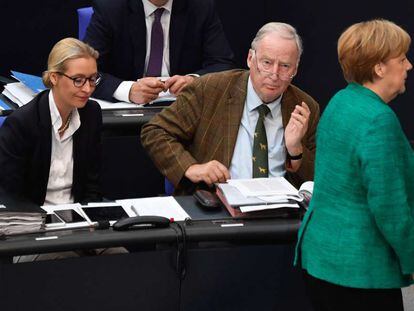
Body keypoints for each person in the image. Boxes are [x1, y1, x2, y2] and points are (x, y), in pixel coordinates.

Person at [295, 19, 414, 311]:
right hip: (360, 273)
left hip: (321, 261)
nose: (409, 66)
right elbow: (390, 206)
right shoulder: (378, 120)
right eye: (401, 59)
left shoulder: (340, 101)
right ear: (379, 68)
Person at [141, 22, 320, 194]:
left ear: (295, 70)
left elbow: (319, 180)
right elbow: (155, 131)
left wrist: (296, 151)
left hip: (280, 213)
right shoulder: (211, 90)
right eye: (266, 63)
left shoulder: (304, 107)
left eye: (285, 66)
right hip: (217, 205)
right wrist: (191, 167)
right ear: (250, 59)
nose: (274, 74)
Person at [0, 37, 102, 206]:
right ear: (54, 78)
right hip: (35, 219)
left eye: (92, 79)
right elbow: (11, 194)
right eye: (78, 80)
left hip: (79, 218)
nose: (87, 88)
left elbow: (92, 185)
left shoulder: (91, 114)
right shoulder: (22, 123)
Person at [84, 0, 235, 104]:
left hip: (183, 110)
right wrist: (128, 90)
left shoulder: (200, 6)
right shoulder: (111, 7)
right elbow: (85, 72)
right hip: (124, 114)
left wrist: (194, 81)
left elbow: (222, 63)